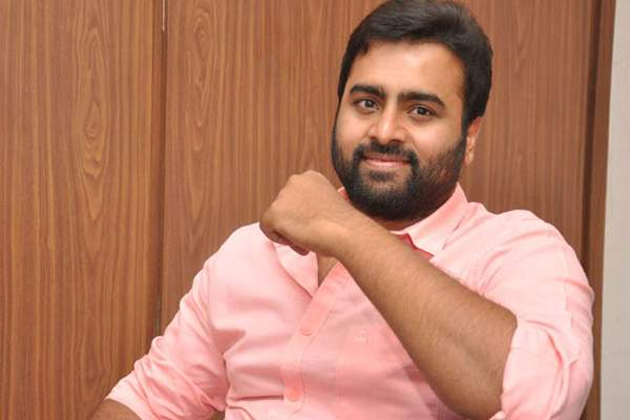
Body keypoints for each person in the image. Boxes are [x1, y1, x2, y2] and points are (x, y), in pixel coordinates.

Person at [92, 0, 594, 419]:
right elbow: (146, 402)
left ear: (470, 135)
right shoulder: (249, 255)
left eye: (420, 110)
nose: (384, 131)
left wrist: (346, 231)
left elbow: (544, 400)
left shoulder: (518, 251)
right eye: (367, 103)